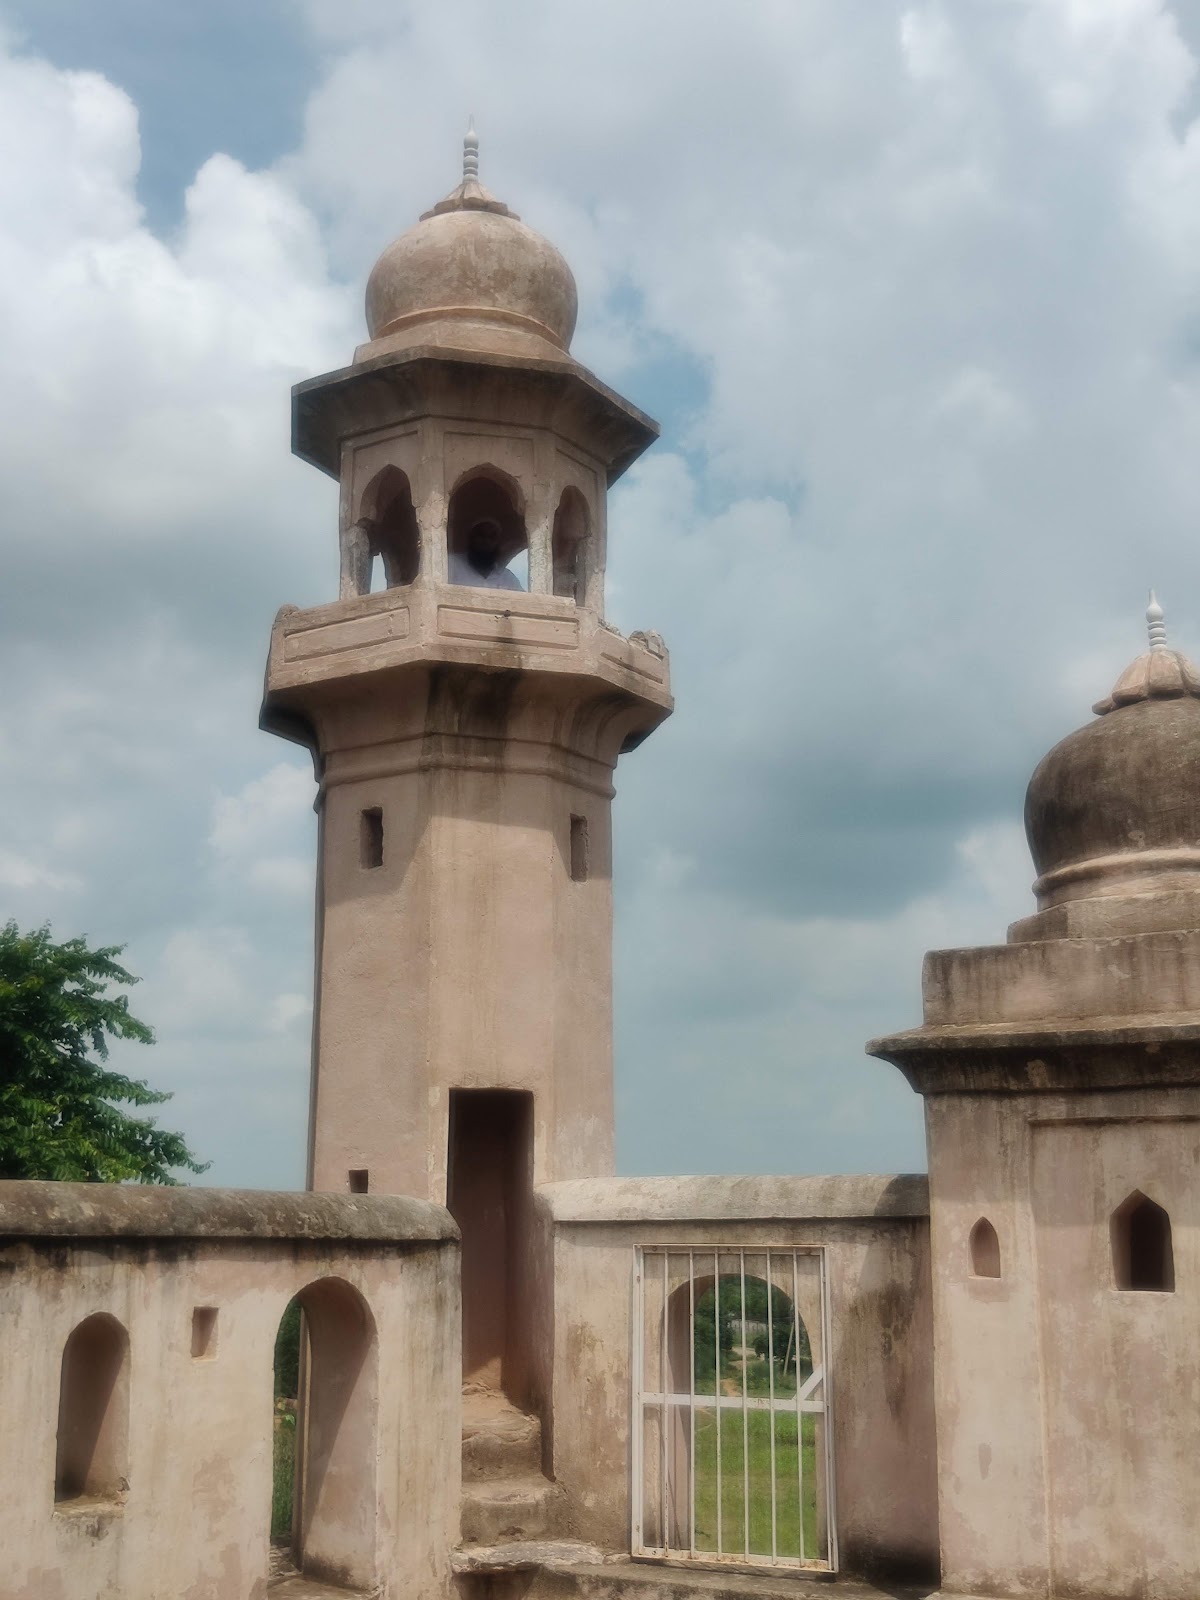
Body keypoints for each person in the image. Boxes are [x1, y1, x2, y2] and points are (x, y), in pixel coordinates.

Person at [447, 516, 523, 591]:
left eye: (492, 537)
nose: (486, 541)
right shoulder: (452, 564)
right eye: (481, 535)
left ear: (498, 543)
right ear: (471, 537)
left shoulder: (508, 577)